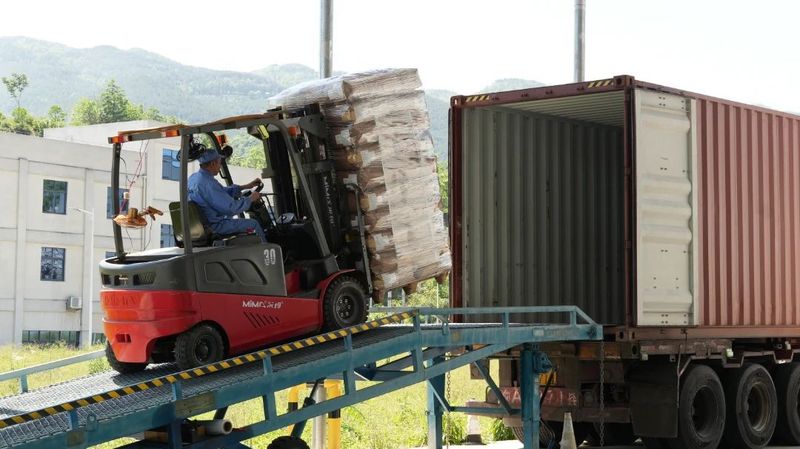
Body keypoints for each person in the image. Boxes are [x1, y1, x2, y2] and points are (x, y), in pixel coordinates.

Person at [188, 148, 267, 242]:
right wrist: (250, 199)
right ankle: (269, 254)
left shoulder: (195, 178)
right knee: (254, 224)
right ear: (213, 163)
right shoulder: (208, 184)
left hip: (203, 225)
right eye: (219, 163)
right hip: (216, 226)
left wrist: (246, 186)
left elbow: (221, 193)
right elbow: (232, 208)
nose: (220, 166)